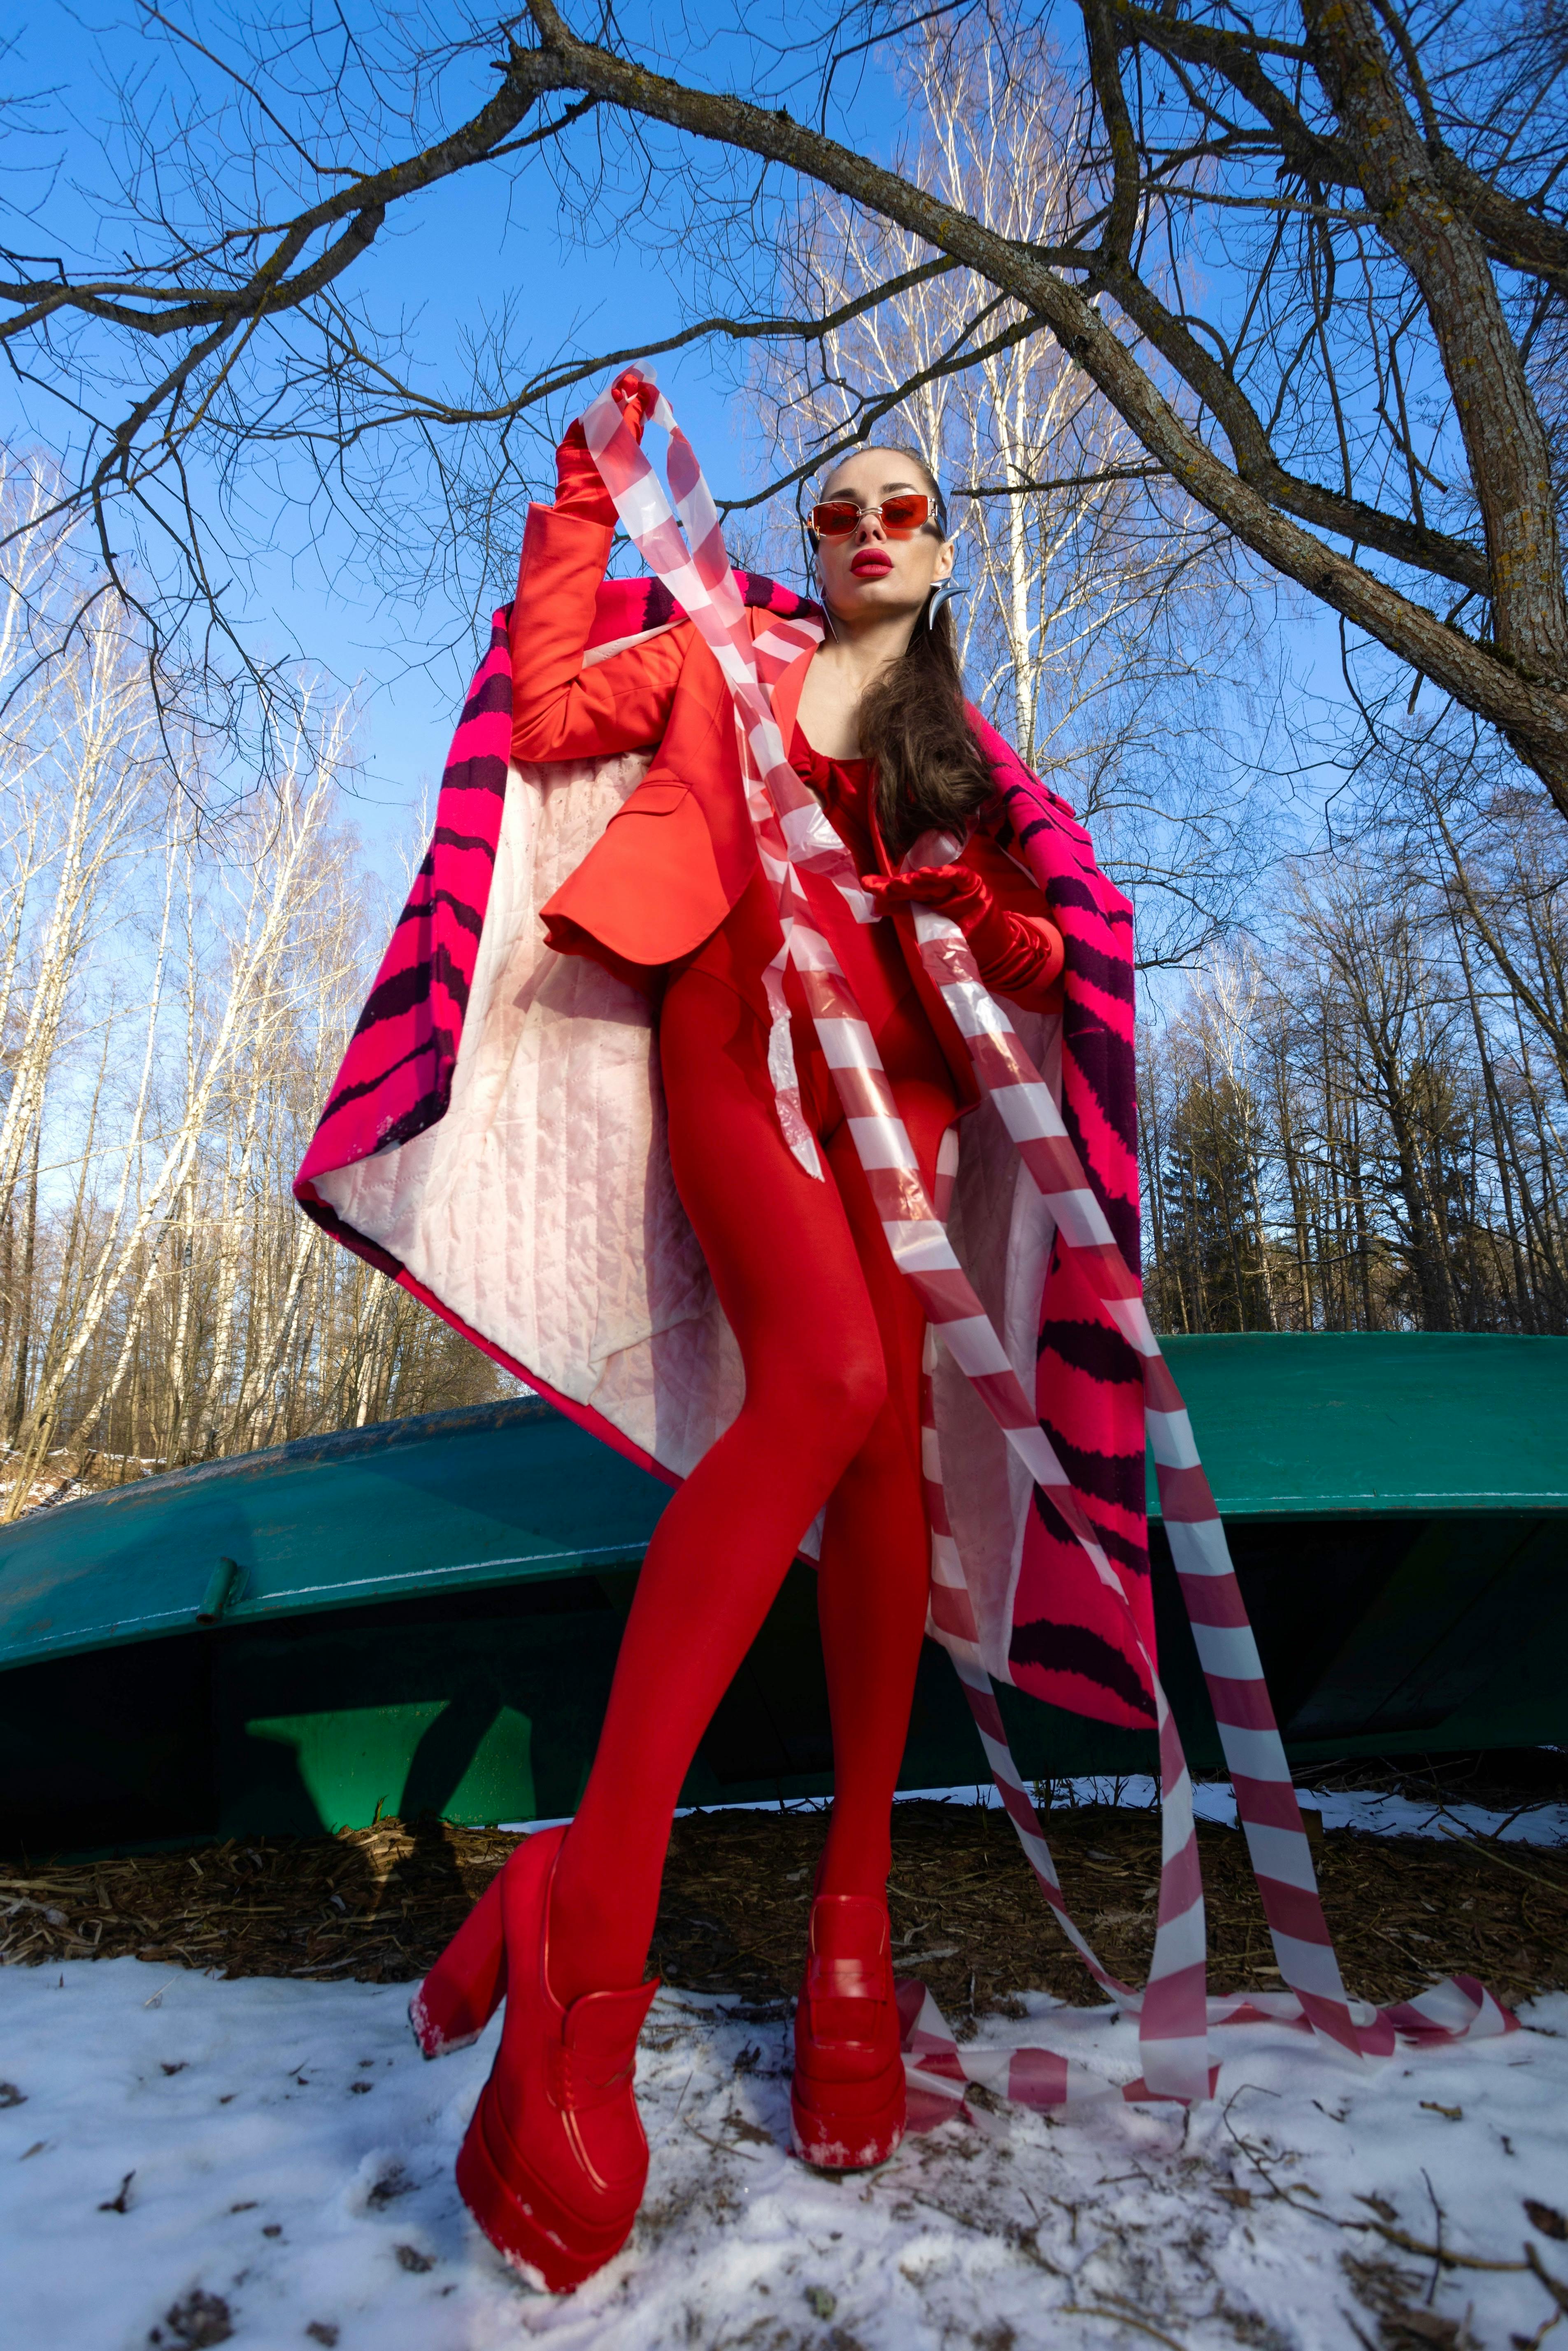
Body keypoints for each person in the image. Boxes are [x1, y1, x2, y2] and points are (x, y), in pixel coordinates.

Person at [407, 376, 1068, 2289]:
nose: (865, 531)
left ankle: (846, 1921)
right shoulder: (724, 652)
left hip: (903, 1097)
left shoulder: (965, 753)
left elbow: (1042, 945)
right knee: (834, 1378)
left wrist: (984, 926)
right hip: (736, 1051)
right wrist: (573, 506)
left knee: (881, 1463)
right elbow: (546, 713)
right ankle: (593, 1918)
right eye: (839, 509)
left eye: (901, 511)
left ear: (941, 555)